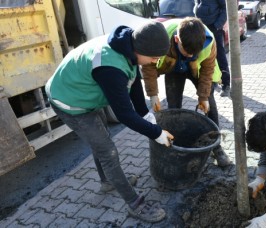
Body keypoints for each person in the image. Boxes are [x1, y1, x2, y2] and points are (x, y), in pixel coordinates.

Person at [45, 21, 174, 223]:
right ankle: (135, 204)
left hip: (83, 91)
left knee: (102, 138)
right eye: (153, 58)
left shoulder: (127, 45)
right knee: (108, 151)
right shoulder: (110, 67)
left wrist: (145, 113)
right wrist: (155, 133)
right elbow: (124, 115)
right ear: (140, 49)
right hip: (69, 101)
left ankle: (107, 181)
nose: (153, 63)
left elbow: (134, 80)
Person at [141, 17, 231, 167]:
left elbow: (208, 70)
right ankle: (172, 143)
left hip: (198, 68)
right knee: (173, 106)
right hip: (174, 69)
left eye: (194, 53)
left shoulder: (209, 42)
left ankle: (216, 147)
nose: (190, 56)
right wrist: (153, 94)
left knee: (211, 107)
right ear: (176, 40)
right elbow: (148, 66)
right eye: (187, 52)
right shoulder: (160, 37)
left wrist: (203, 97)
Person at [194, 0, 231, 97]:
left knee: (220, 56)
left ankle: (226, 84)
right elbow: (198, 4)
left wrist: (217, 26)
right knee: (204, 56)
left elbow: (225, 9)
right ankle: (211, 82)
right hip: (202, 28)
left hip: (215, 29)